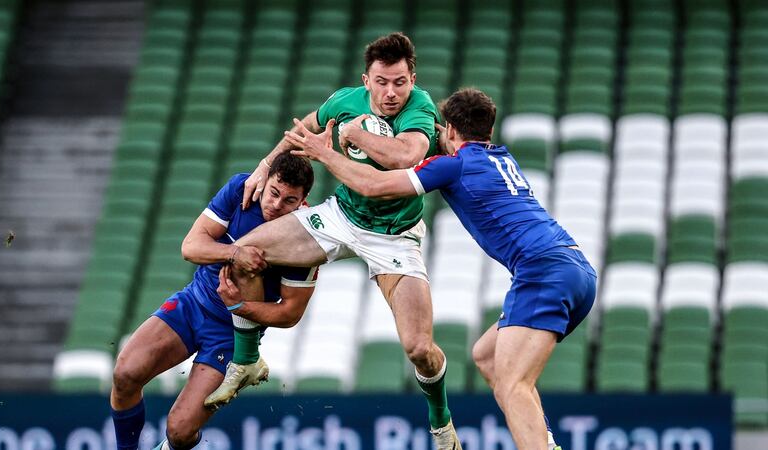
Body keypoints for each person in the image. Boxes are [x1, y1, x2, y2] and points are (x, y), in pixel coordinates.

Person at [285, 87, 597, 450]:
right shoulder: (500, 156)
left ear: (449, 130)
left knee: (514, 385)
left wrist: (327, 152)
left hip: (543, 272)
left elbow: (373, 186)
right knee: (487, 356)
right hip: (577, 269)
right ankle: (546, 442)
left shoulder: (453, 164)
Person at [205, 32, 462, 449]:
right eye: (382, 82)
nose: (391, 92)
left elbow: (403, 157)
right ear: (366, 80)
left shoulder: (421, 108)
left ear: (413, 79)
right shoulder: (345, 101)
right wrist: (264, 166)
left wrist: (356, 136)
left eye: (400, 82)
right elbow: (304, 127)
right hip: (341, 216)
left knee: (419, 348)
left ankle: (441, 423)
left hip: (394, 238)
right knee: (244, 252)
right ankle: (247, 359)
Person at [109, 153, 318, 450]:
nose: (276, 205)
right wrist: (234, 253)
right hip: (193, 303)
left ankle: (245, 363)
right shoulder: (241, 190)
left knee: (179, 432)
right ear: (266, 180)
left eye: (289, 200)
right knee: (125, 374)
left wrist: (239, 307)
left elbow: (290, 313)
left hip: (231, 335)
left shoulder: (306, 238)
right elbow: (191, 246)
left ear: (303, 200)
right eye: (274, 193)